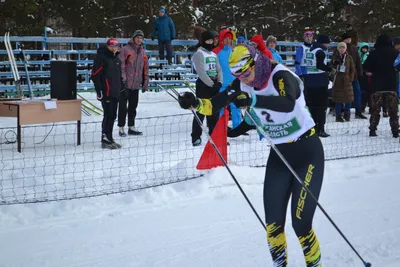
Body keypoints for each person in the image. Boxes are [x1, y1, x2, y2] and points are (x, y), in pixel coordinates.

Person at [178, 44, 324, 267]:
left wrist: (254, 101)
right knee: (273, 224)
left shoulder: (281, 76)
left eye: (246, 73)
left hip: (307, 151)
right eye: (238, 76)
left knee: (301, 224)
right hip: (279, 155)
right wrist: (195, 103)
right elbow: (215, 104)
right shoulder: (242, 82)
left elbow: (288, 103)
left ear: (257, 62)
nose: (243, 80)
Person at [363, 34, 399, 138]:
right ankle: (395, 131)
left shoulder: (374, 53)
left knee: (375, 110)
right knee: (393, 111)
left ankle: (373, 130)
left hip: (377, 86)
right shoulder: (395, 53)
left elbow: (365, 67)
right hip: (391, 85)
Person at [191, 31, 223, 146]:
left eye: (211, 40)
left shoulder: (214, 54)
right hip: (204, 85)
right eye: (208, 40)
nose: (210, 42)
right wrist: (211, 85)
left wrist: (219, 82)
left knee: (214, 112)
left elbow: (219, 69)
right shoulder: (199, 54)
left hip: (214, 83)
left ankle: (214, 135)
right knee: (201, 111)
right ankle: (196, 136)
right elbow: (201, 72)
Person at [91, 38, 122, 149]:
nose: (114, 48)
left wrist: (121, 87)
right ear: (108, 46)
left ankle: (110, 137)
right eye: (112, 46)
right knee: (108, 115)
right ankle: (105, 137)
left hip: (115, 91)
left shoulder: (117, 59)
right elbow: (95, 75)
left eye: (116, 46)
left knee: (113, 115)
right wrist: (99, 91)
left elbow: (118, 75)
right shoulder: (101, 58)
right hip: (106, 91)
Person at [118, 30, 149, 136]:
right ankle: (121, 127)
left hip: (136, 85)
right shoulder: (126, 50)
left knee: (133, 107)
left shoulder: (143, 52)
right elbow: (121, 65)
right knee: (123, 107)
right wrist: (123, 79)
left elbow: (145, 68)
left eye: (141, 38)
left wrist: (145, 81)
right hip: (125, 84)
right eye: (137, 37)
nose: (139, 40)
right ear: (133, 38)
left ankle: (131, 126)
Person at [303, 34, 333, 137]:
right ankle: (320, 129)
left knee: (311, 106)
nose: (328, 45)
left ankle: (312, 128)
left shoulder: (310, 50)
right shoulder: (320, 51)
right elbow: (319, 65)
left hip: (309, 81)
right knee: (321, 107)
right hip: (320, 82)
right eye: (327, 43)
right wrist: (329, 68)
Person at [213, 29, 242, 130]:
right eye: (226, 39)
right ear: (221, 39)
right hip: (222, 83)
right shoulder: (216, 52)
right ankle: (221, 127)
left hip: (234, 83)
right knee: (221, 107)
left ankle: (238, 127)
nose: (228, 41)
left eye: (230, 39)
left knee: (236, 105)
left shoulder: (234, 51)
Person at [337, 32, 367, 119]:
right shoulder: (339, 49)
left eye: (349, 39)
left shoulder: (354, 48)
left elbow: (358, 61)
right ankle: (343, 111)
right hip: (342, 76)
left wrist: (360, 72)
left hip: (354, 75)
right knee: (343, 94)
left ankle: (358, 111)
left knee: (357, 93)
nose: (348, 40)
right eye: (347, 39)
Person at [331, 42, 355, 122]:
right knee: (338, 99)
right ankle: (338, 115)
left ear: (345, 49)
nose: (342, 49)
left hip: (347, 80)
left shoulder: (349, 57)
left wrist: (350, 78)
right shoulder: (335, 57)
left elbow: (352, 69)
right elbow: (331, 67)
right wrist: (335, 66)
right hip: (338, 80)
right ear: (338, 49)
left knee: (348, 98)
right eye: (340, 48)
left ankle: (346, 113)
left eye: (343, 48)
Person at [358, 42, 373, 113]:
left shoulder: (368, 56)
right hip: (360, 75)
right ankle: (362, 106)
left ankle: (371, 106)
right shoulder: (358, 56)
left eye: (366, 48)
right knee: (362, 92)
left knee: (370, 92)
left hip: (368, 76)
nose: (364, 50)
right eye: (363, 48)